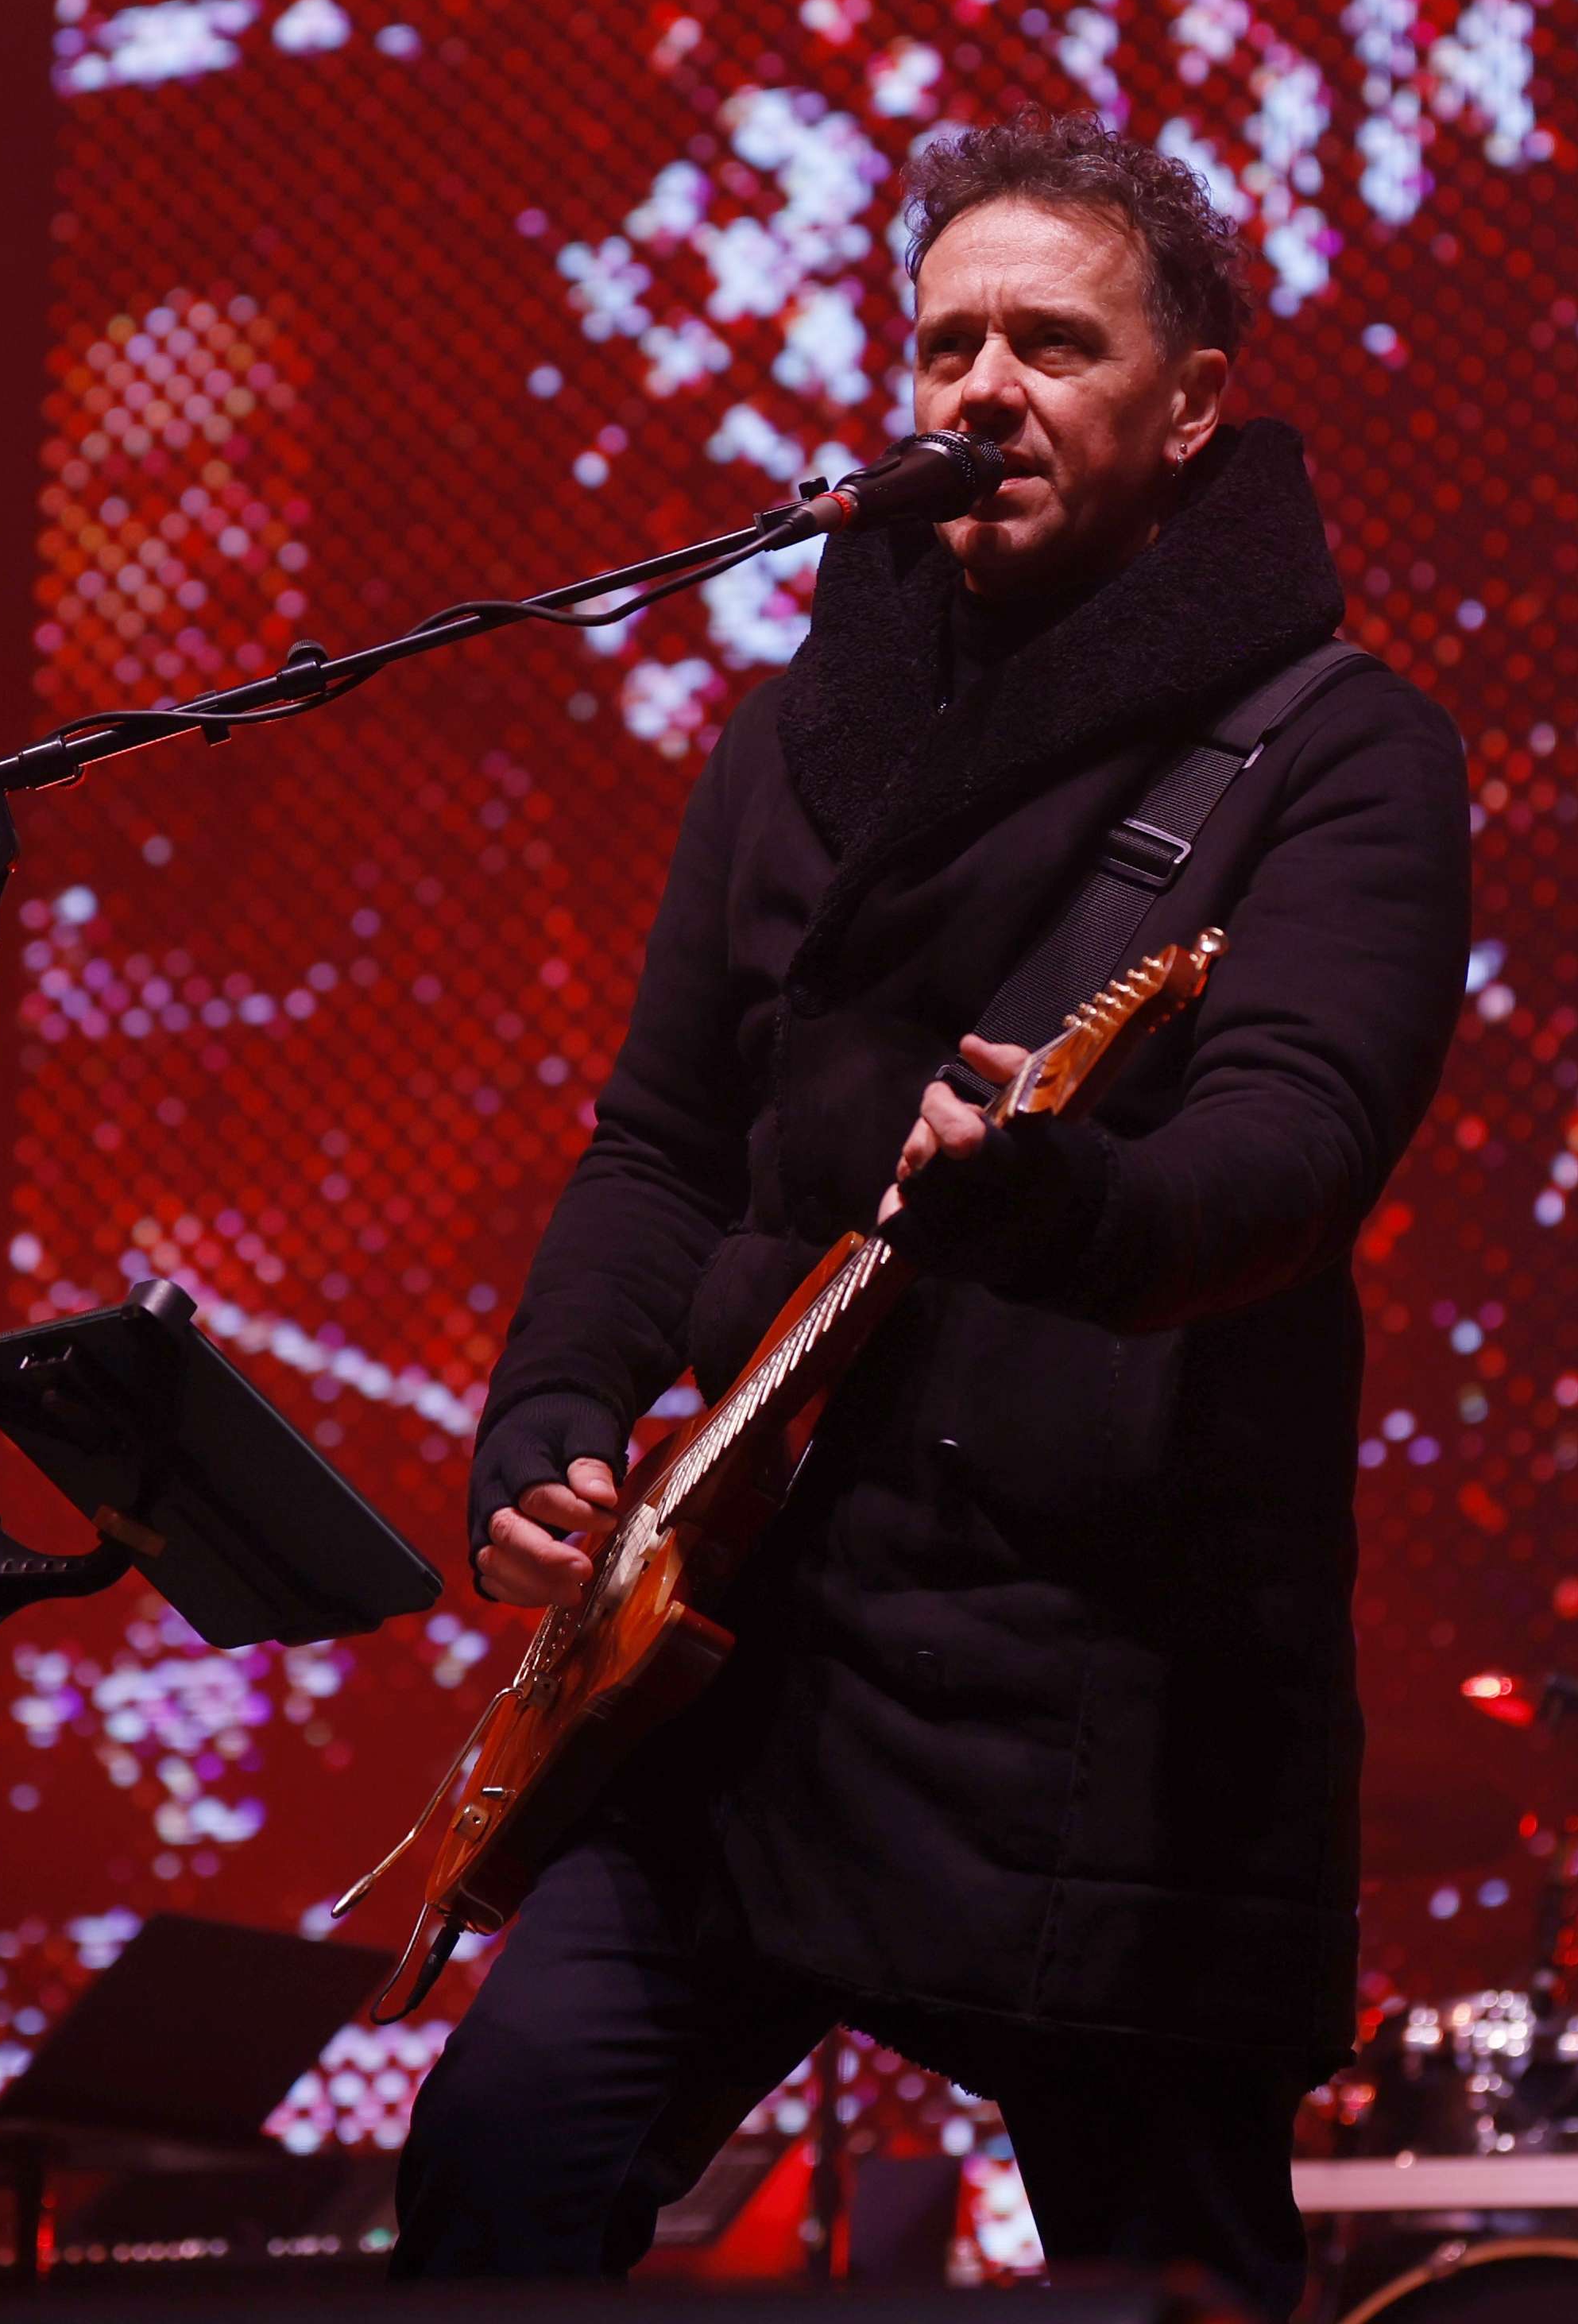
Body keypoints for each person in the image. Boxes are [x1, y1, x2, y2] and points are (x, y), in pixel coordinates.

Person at [390, 110, 1476, 2317]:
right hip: (761, 1647)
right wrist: (551, 1419)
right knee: (502, 2155)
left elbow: (1290, 1152)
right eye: (942, 342)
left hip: (1115, 1688)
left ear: (1190, 405)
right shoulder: (794, 742)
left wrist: (1050, 1197)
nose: (980, 386)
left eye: (1050, 344)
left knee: (1173, 2285)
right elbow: (661, 1145)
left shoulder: (1337, 748)